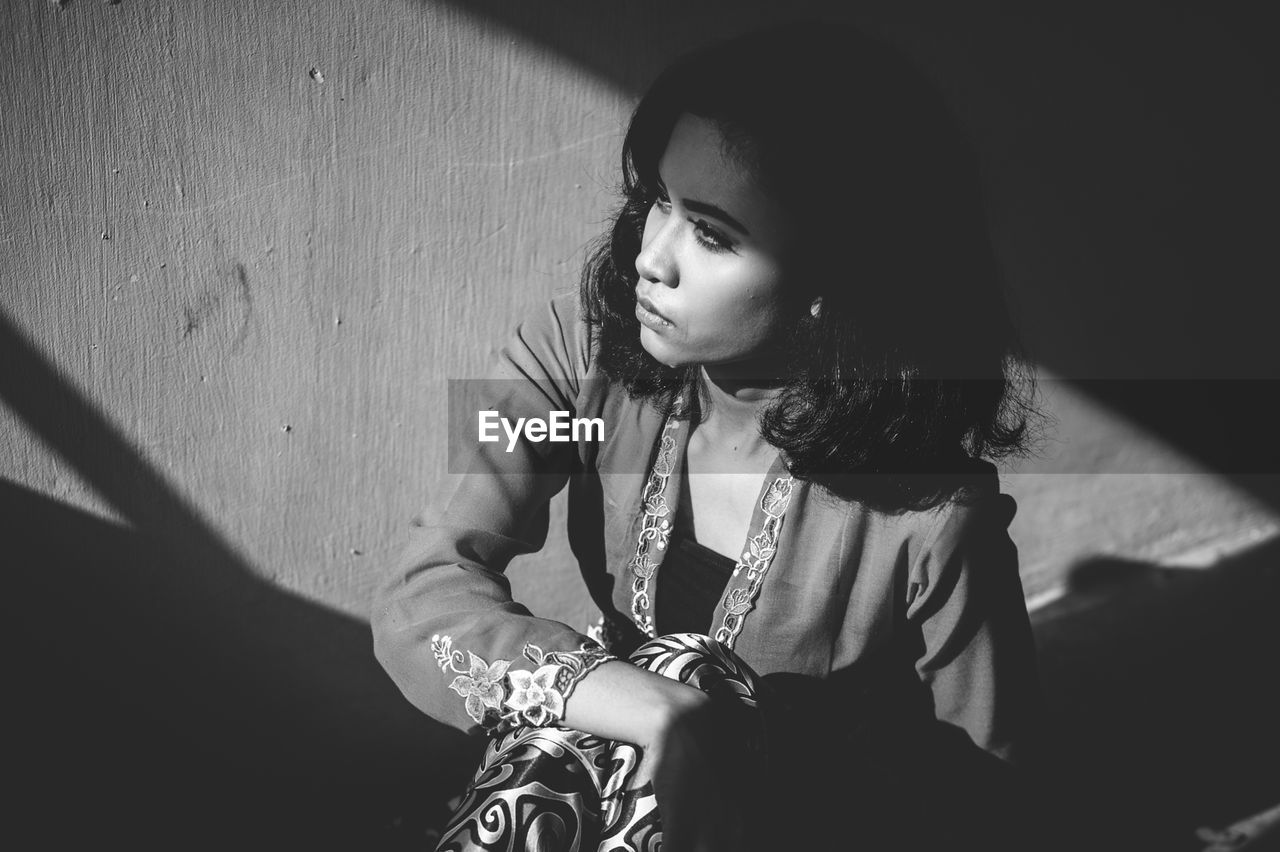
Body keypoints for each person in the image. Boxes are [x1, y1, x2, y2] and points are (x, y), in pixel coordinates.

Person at [373, 20, 1046, 852]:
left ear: (832, 281)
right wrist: (637, 701)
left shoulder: (931, 512)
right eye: (659, 198)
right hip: (625, 789)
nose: (652, 258)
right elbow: (425, 587)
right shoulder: (575, 366)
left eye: (713, 233)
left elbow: (992, 793)